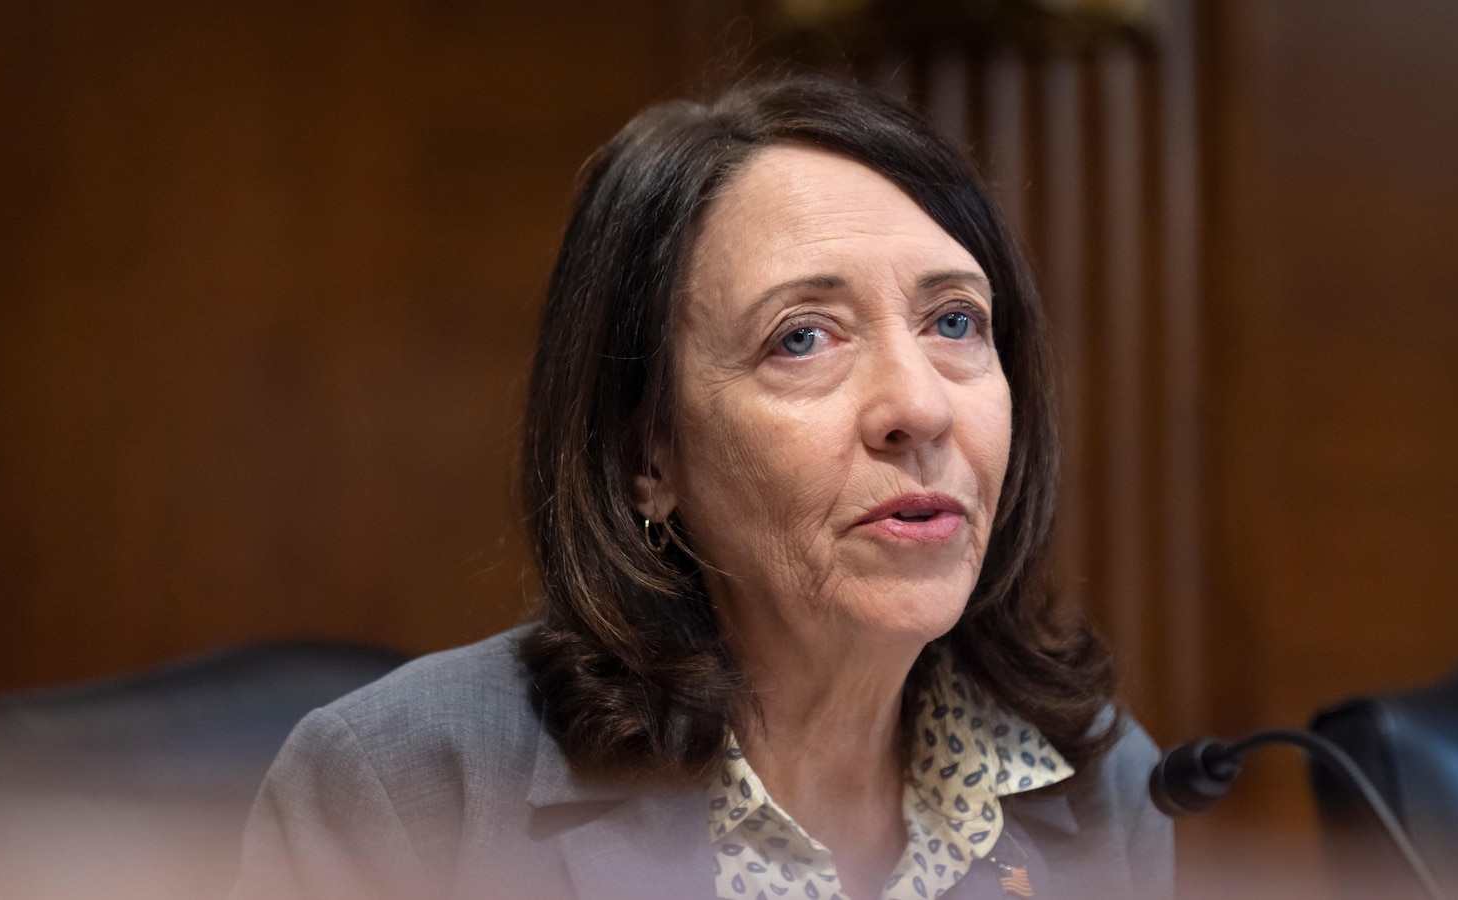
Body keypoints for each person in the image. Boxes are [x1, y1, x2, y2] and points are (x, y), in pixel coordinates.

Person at [232, 74, 1172, 900]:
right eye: (803, 337)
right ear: (650, 459)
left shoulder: (1105, 787)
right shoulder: (406, 796)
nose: (920, 408)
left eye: (955, 322)